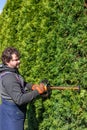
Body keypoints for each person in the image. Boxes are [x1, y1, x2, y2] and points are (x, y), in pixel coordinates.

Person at [0, 47, 47, 130]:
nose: (19, 61)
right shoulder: (9, 77)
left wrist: (31, 86)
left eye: (19, 59)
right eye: (16, 60)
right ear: (7, 61)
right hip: (12, 114)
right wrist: (37, 92)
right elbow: (19, 99)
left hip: (8, 111)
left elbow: (19, 83)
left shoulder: (11, 70)